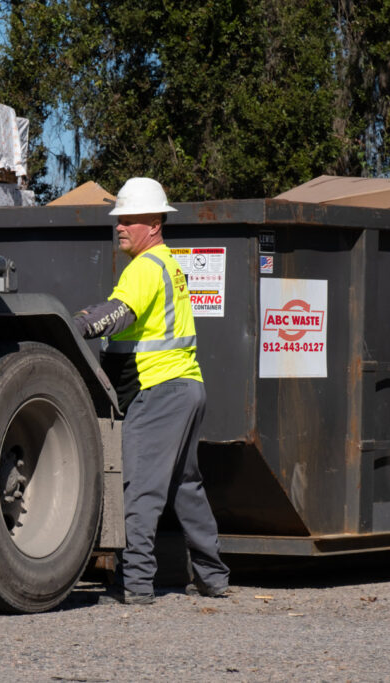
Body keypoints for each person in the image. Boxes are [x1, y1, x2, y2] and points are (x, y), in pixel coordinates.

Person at [73, 177, 230, 605]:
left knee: (140, 488)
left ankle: (135, 586)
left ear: (155, 223)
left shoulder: (144, 267)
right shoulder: (169, 265)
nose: (119, 226)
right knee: (185, 486)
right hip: (188, 387)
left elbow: (121, 312)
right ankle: (213, 578)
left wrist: (79, 325)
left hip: (160, 391)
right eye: (118, 219)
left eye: (129, 219)